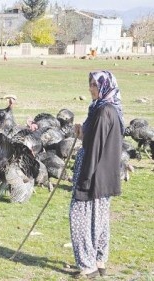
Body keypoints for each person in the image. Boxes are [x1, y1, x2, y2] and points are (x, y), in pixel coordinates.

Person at [70, 71, 124, 278]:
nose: (90, 88)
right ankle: (100, 260)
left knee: (79, 217)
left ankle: (88, 265)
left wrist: (85, 178)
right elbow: (99, 139)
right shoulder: (110, 108)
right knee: (99, 217)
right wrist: (82, 133)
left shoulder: (103, 111)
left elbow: (95, 148)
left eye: (94, 84)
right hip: (106, 173)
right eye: (90, 84)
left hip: (93, 172)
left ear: (104, 85)